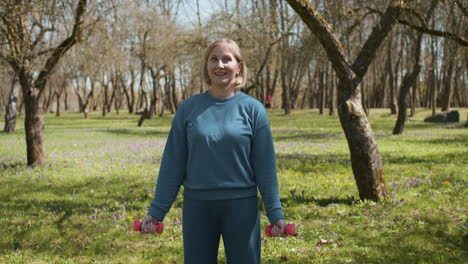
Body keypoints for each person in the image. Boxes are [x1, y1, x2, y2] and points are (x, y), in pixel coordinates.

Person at [140, 39, 287, 264]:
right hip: (198, 206)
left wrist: (275, 213)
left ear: (238, 66)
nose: (220, 65)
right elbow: (173, 164)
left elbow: (265, 167)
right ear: (207, 66)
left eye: (227, 59)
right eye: (214, 59)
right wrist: (157, 211)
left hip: (241, 206)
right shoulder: (188, 109)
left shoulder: (253, 110)